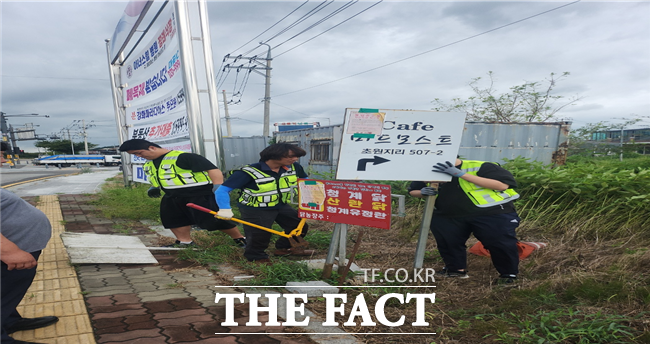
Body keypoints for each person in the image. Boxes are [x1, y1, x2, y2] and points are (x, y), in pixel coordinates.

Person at [408, 158, 521, 284]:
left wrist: (460, 174)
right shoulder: (429, 169)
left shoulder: (481, 166)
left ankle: (508, 274)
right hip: (447, 214)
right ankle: (455, 270)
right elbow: (413, 190)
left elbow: (502, 185)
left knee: (499, 242)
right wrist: (422, 192)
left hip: (491, 212)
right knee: (448, 242)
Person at [118, 139, 246, 248]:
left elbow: (213, 169)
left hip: (198, 194)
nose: (139, 156)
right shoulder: (150, 163)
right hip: (172, 195)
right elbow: (158, 176)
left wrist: (218, 186)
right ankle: (185, 242)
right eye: (135, 155)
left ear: (152, 147)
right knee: (173, 219)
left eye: (139, 153)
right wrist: (154, 187)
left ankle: (239, 238)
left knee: (213, 220)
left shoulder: (183, 157)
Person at [214, 143, 314, 264]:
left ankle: (284, 247)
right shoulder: (248, 172)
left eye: (297, 156)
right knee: (260, 233)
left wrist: (312, 196)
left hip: (280, 204)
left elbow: (305, 182)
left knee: (299, 225)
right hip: (255, 208)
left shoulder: (294, 167)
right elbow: (222, 190)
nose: (295, 159)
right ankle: (256, 256)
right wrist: (225, 209)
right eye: (291, 156)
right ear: (274, 156)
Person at [1, 187, 59, 344]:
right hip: (9, 251)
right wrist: (7, 251)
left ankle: (7, 320)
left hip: (17, 246)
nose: (3, 160)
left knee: (8, 290)